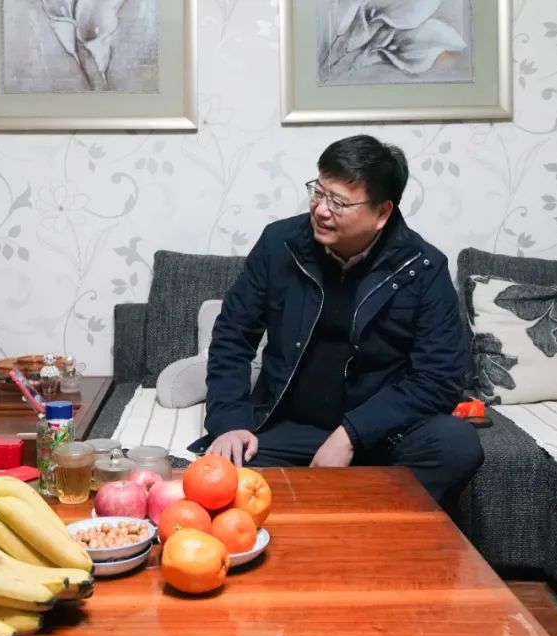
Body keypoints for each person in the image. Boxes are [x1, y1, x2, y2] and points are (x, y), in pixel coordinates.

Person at [190, 135, 483, 502]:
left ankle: (358, 522)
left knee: (456, 444)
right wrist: (231, 422)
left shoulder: (422, 268)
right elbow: (233, 336)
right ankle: (359, 509)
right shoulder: (280, 244)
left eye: (339, 203)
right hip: (290, 426)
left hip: (383, 433)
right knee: (224, 478)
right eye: (319, 192)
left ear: (382, 213)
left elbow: (439, 379)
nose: (321, 210)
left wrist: (351, 434)